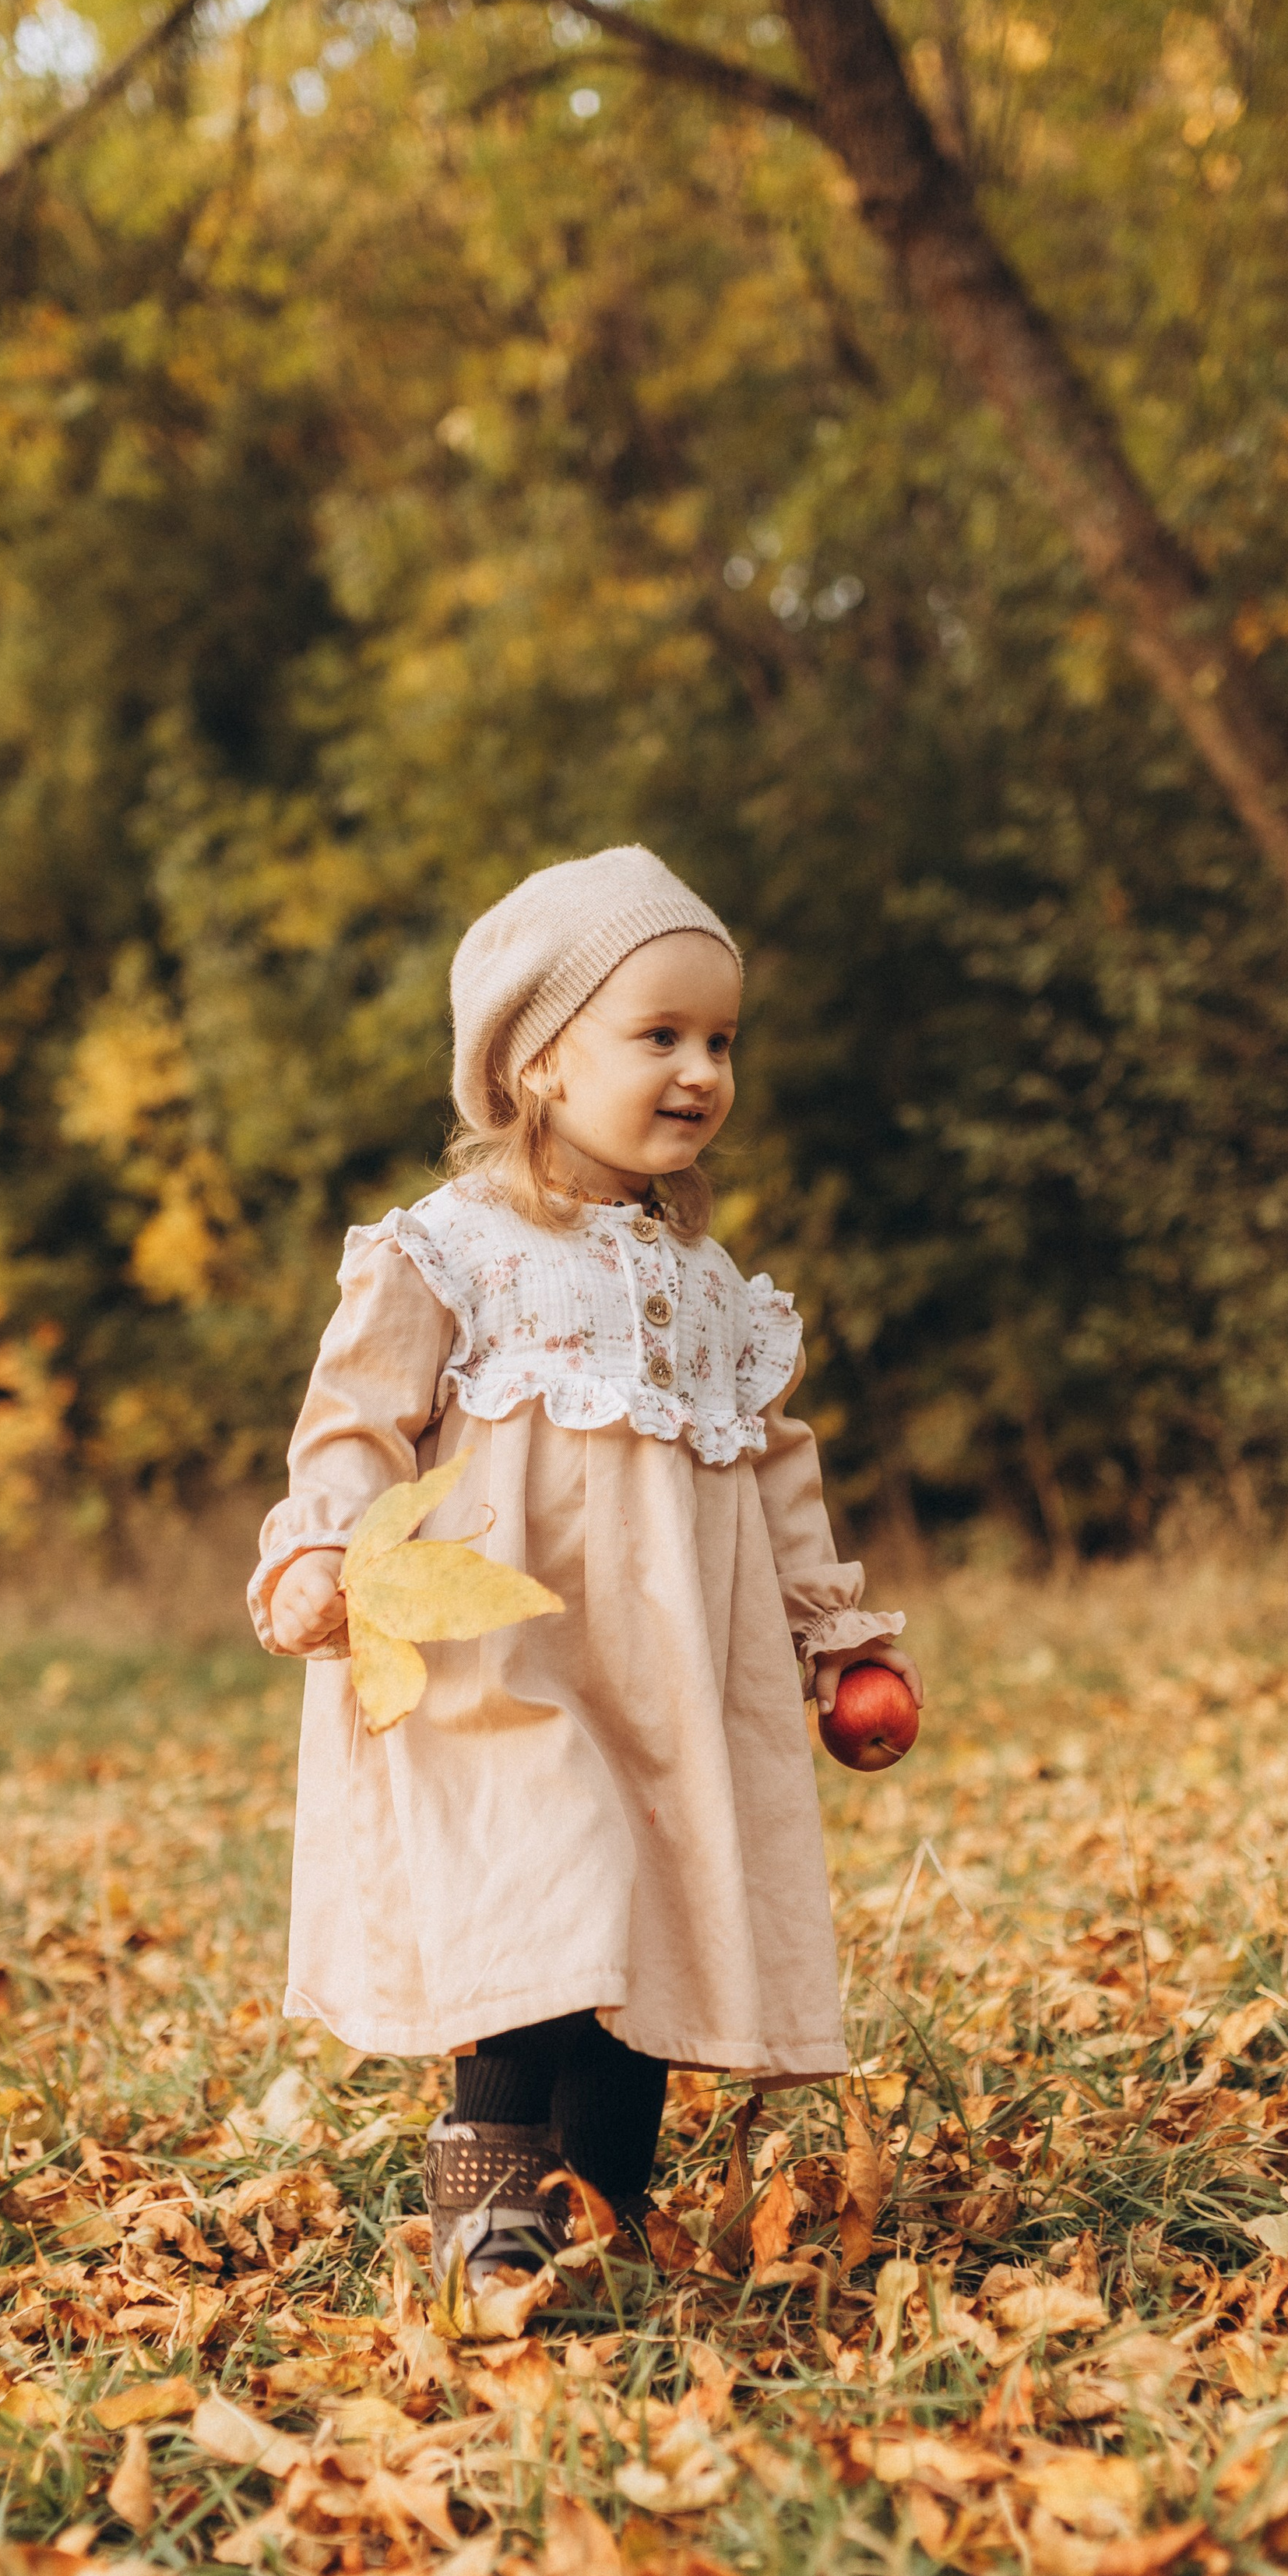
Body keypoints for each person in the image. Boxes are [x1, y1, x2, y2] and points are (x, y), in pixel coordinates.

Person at [248, 846, 921, 2291]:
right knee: (547, 1885)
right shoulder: (456, 1252)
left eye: (721, 1041)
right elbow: (355, 1422)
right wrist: (321, 1547)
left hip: (672, 1665)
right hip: (501, 1655)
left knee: (649, 1912)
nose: (700, 1072)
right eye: (660, 1036)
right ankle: (490, 2208)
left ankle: (599, 2208)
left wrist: (835, 1636)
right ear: (540, 1063)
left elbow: (772, 1462)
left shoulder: (717, 1285)